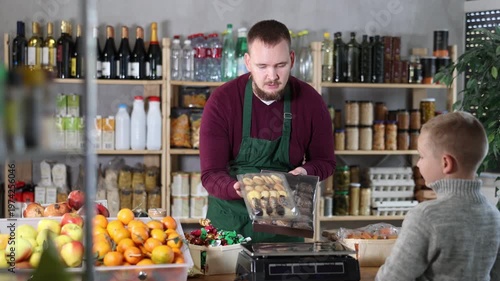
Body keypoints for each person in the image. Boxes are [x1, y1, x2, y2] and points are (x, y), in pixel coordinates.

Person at [199, 19, 336, 243]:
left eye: (280, 65)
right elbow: (210, 174)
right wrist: (235, 187)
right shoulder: (222, 101)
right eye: (262, 66)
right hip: (230, 221)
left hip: (283, 225)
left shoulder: (311, 102)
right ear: (248, 62)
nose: (272, 76)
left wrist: (304, 173)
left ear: (292, 59)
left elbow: (325, 162)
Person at [375, 111, 500, 281]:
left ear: (446, 163)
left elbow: (390, 278)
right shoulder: (494, 215)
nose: (418, 163)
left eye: (422, 156)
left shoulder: (425, 216)